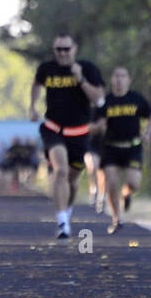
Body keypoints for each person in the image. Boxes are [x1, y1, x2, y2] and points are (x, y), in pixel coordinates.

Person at [29, 33, 104, 238]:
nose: (62, 53)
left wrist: (80, 79)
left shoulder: (87, 69)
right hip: (53, 129)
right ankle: (62, 221)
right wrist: (33, 106)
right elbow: (36, 85)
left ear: (75, 49)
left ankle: (67, 211)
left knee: (72, 180)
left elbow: (99, 99)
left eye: (66, 49)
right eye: (58, 49)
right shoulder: (47, 69)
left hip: (79, 133)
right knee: (60, 171)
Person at [93, 66, 151, 233]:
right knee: (112, 182)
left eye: (123, 76)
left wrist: (148, 132)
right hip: (111, 148)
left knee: (134, 183)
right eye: (116, 76)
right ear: (112, 80)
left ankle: (126, 195)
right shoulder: (106, 102)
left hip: (132, 147)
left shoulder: (136, 99)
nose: (119, 79)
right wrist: (97, 126)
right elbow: (94, 124)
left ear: (129, 79)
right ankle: (117, 218)